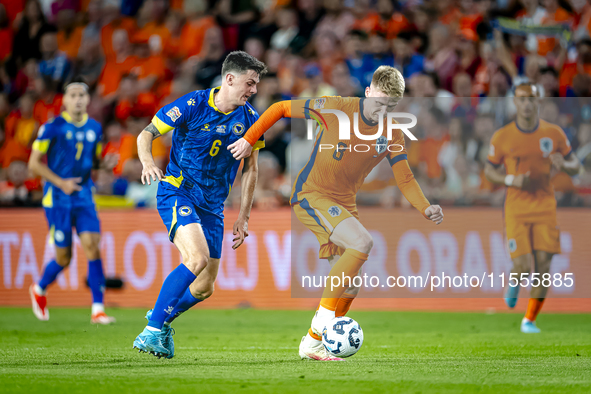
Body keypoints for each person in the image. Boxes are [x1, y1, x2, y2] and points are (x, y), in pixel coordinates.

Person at [228, 66, 444, 361]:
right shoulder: (336, 107)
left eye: (390, 106)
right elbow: (279, 108)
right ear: (368, 92)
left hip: (344, 205)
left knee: (351, 286)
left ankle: (316, 342)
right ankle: (318, 334)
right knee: (363, 243)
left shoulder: (392, 132)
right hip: (312, 194)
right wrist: (249, 138)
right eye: (379, 102)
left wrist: (425, 206)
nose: (382, 110)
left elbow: (404, 178)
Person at [132, 51, 266, 358]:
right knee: (196, 259)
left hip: (213, 206)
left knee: (205, 287)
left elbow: (251, 170)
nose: (254, 90)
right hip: (179, 191)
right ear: (229, 79)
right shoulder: (192, 104)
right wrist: (147, 163)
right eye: (250, 83)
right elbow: (146, 134)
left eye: (256, 84)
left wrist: (243, 217)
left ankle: (161, 320)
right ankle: (151, 331)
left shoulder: (250, 119)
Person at [484, 83, 580, 333]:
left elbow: (576, 166)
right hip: (516, 207)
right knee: (524, 266)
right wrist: (509, 180)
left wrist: (566, 165)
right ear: (515, 102)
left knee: (544, 265)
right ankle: (515, 280)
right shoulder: (502, 136)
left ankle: (529, 319)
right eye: (522, 99)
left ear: (538, 102)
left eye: (532, 99)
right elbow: (489, 169)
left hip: (545, 205)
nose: (527, 104)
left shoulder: (554, 133)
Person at [28, 80, 116, 325]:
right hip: (57, 200)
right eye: (73, 95)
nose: (78, 99)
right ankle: (39, 288)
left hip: (84, 196)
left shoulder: (95, 128)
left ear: (88, 100)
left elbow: (93, 162)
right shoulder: (52, 127)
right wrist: (61, 182)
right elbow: (33, 164)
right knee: (64, 258)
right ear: (64, 100)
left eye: (82, 95)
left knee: (92, 245)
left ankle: (98, 309)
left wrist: (104, 165)